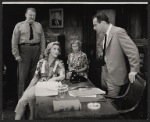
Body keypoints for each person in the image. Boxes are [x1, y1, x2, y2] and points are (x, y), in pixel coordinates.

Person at [92, 13, 140, 99]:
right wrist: (103, 53)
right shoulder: (102, 34)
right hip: (105, 71)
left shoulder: (119, 32)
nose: (94, 28)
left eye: (95, 25)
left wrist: (134, 70)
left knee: (111, 103)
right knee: (104, 98)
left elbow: (132, 51)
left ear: (102, 23)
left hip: (115, 74)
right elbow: (102, 45)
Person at [14, 41, 65, 120]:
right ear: (49, 50)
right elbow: (35, 77)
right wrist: (27, 90)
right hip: (39, 85)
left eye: (58, 49)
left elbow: (62, 76)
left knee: (34, 101)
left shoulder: (59, 63)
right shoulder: (41, 62)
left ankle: (32, 117)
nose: (57, 51)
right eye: (54, 49)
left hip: (50, 88)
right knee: (22, 100)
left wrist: (54, 78)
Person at [11, 8, 46, 99]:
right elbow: (14, 41)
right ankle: (21, 102)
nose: (32, 17)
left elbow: (42, 39)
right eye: (30, 15)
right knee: (22, 78)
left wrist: (42, 53)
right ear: (26, 14)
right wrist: (16, 55)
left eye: (34, 15)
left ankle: (31, 100)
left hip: (36, 51)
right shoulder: (19, 25)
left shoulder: (38, 25)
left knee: (34, 76)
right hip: (24, 51)